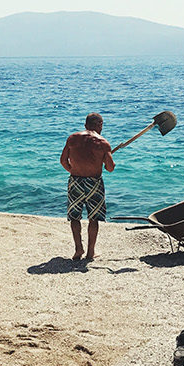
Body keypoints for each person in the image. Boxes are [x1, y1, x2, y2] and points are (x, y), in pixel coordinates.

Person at [60, 112, 116, 262]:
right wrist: (107, 159)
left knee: (74, 217)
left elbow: (63, 161)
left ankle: (78, 248)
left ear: (85, 125)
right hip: (94, 183)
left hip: (75, 181)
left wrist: (74, 170)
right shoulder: (103, 143)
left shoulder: (72, 139)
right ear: (100, 125)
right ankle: (90, 253)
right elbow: (110, 168)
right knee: (94, 218)